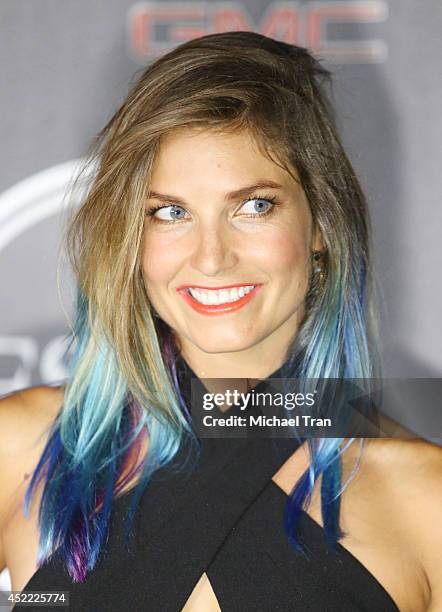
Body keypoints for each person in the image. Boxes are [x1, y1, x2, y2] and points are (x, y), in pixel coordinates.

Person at [0, 31, 441, 612]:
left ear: (320, 227)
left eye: (254, 206)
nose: (211, 257)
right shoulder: (25, 448)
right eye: (170, 212)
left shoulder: (425, 499)